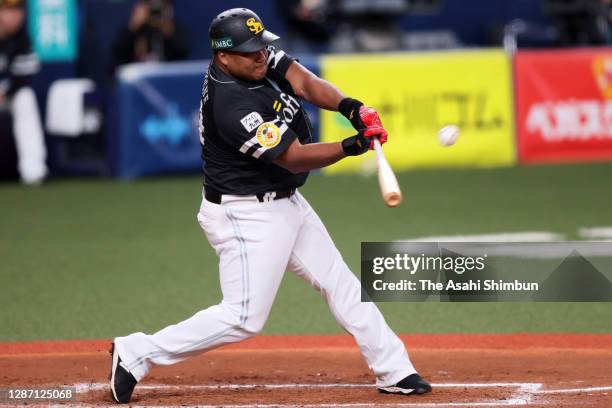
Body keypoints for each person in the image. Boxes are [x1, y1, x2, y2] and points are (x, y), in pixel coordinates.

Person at [109, 8, 431, 404]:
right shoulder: (231, 105)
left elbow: (303, 80)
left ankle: (395, 370)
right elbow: (293, 157)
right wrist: (352, 146)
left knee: (341, 283)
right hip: (246, 216)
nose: (261, 56)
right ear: (223, 57)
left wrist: (351, 107)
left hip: (285, 202)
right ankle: (135, 352)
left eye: (262, 47)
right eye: (250, 52)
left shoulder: (255, 61)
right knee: (243, 318)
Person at [0, 0, 47, 185]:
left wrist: (5, 91)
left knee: (25, 98)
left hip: (6, 95)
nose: (15, 16)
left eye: (18, 11)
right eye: (8, 11)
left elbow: (24, 76)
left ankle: (34, 171)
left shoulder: (22, 39)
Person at [112, 0, 189, 68]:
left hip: (167, 78)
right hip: (138, 78)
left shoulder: (171, 29)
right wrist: (133, 27)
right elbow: (118, 57)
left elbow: (184, 52)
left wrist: (167, 28)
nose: (154, 12)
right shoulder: (135, 31)